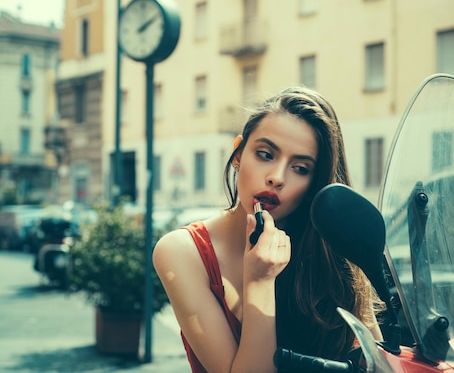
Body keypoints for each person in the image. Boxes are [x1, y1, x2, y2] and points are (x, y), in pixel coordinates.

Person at [153, 86, 383, 373]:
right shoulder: (183, 252)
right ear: (238, 154)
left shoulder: (330, 250)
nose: (276, 178)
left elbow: (377, 362)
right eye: (265, 154)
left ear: (315, 185)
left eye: (300, 168)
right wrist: (260, 281)